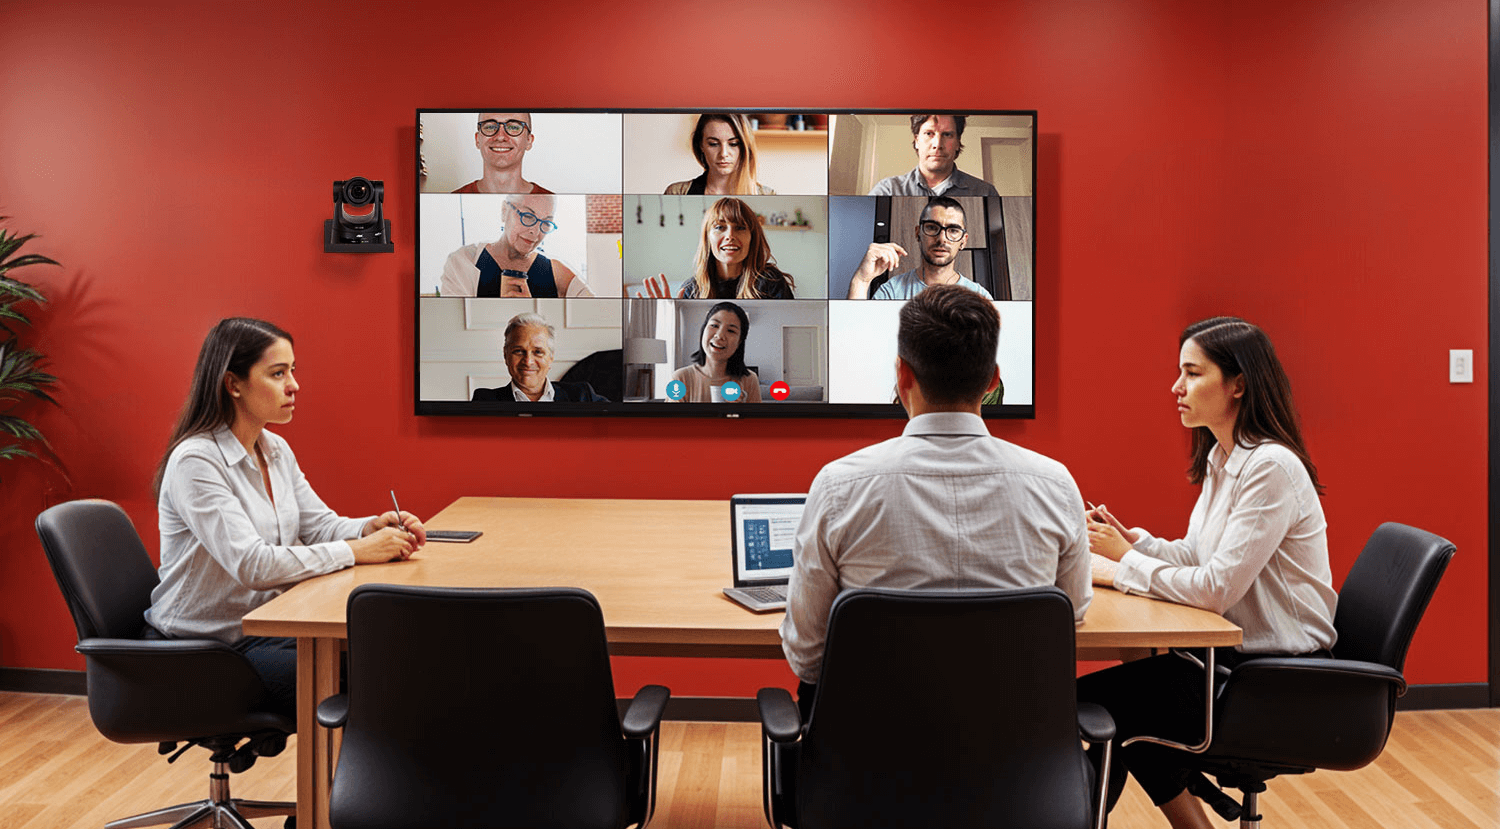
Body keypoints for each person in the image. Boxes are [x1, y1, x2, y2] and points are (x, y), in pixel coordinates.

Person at [781, 285, 1090, 716]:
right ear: (992, 380)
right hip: (1018, 768)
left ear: (902, 375)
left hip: (866, 767)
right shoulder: (1055, 484)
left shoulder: (839, 487)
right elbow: (1069, 620)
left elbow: (807, 657)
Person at [1077, 316, 1337, 829]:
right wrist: (1134, 542)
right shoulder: (1225, 459)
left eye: (1192, 373)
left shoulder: (1270, 468)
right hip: (1230, 662)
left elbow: (1216, 590)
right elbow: (1200, 557)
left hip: (1271, 678)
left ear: (1238, 382)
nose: (1176, 387)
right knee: (1120, 710)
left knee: (1098, 705)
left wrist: (1119, 566)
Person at [147, 317, 426, 717]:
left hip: (269, 626)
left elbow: (319, 527)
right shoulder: (197, 461)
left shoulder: (273, 447)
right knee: (375, 675)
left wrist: (371, 528)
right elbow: (253, 564)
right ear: (233, 384)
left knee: (395, 654)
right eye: (278, 374)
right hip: (208, 650)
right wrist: (357, 550)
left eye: (292, 371)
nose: (294, 385)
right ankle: (353, 781)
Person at [637, 197, 796, 300]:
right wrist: (667, 318)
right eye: (720, 227)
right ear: (707, 237)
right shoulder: (691, 290)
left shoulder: (770, 281)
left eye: (740, 228)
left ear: (752, 237)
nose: (730, 236)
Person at [439, 193, 592, 298]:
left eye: (545, 223)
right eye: (527, 216)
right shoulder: (463, 262)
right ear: (504, 211)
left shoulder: (558, 272)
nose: (535, 231)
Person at [847, 196, 993, 300]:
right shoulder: (891, 291)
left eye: (953, 230)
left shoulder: (981, 297)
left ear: (963, 241)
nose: (942, 238)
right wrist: (861, 280)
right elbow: (856, 338)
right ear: (918, 233)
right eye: (931, 227)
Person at [472, 313, 608, 402]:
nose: (528, 361)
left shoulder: (582, 395)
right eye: (518, 351)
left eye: (538, 352)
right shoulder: (485, 400)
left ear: (551, 357)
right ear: (505, 355)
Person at [868, 114, 1000, 197]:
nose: (937, 144)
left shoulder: (985, 192)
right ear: (917, 141)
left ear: (958, 143)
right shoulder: (887, 190)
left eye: (947, 134)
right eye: (929, 134)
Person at [668, 301, 763, 403]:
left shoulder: (749, 379)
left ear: (739, 341)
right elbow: (671, 419)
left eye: (731, 331)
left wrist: (738, 411)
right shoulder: (681, 378)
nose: (719, 335)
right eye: (714, 325)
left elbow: (757, 419)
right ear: (703, 330)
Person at [664, 113, 776, 196]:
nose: (723, 154)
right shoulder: (677, 193)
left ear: (745, 147)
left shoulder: (767, 195)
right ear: (701, 145)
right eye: (713, 144)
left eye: (733, 144)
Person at [452, 112, 553, 195]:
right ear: (477, 140)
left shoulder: (553, 203)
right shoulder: (452, 201)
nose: (500, 137)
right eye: (490, 127)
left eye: (513, 128)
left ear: (529, 141)